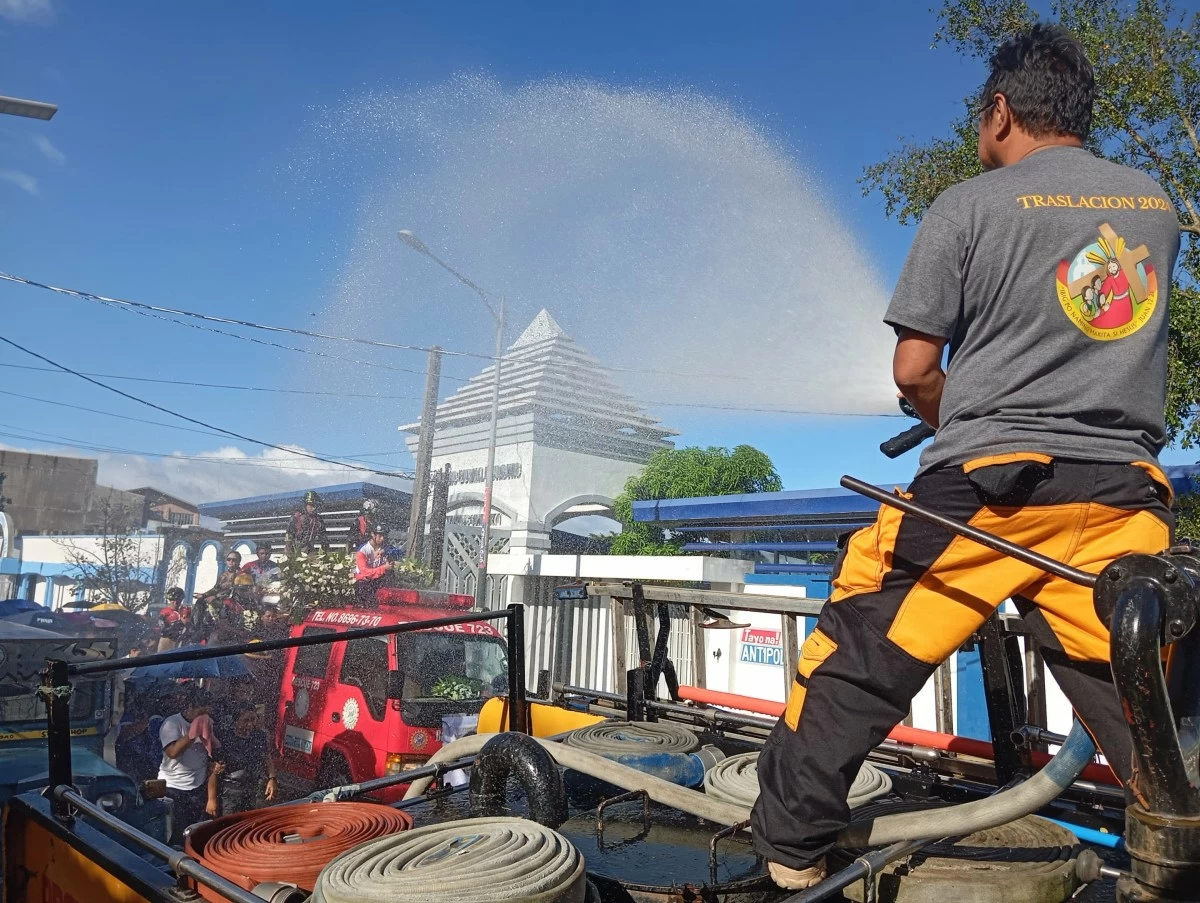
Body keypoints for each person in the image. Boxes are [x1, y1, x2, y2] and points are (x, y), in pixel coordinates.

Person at [753, 25, 1181, 890]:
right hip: (1125, 497)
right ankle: (1182, 845)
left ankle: (790, 851)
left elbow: (915, 372)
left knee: (863, 643)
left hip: (990, 489)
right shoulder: (1158, 208)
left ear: (1000, 111)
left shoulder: (969, 205)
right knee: (1149, 688)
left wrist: (956, 412)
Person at [158, 687, 218, 845]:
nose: (203, 718)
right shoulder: (172, 723)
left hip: (197, 787)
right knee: (172, 832)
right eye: (199, 714)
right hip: (173, 787)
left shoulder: (208, 723)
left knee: (193, 831)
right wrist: (194, 733)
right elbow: (172, 752)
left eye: (205, 714)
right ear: (189, 707)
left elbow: (215, 747)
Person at [212, 702, 276, 816]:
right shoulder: (226, 738)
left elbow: (267, 758)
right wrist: (211, 800)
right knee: (228, 827)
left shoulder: (259, 736)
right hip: (230, 791)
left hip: (251, 789)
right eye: (246, 720)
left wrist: (272, 779)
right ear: (236, 721)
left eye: (253, 720)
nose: (250, 724)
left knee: (247, 824)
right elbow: (214, 770)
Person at [353, 523, 394, 605]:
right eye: (380, 536)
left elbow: (400, 552)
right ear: (372, 534)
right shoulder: (362, 550)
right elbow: (365, 572)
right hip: (363, 584)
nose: (382, 539)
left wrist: (386, 552)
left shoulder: (385, 548)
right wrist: (384, 568)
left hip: (377, 582)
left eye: (384, 536)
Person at [286, 490, 328, 556]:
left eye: (315, 506)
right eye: (310, 505)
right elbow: (288, 540)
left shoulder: (318, 520)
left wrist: (326, 555)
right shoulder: (295, 518)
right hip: (295, 552)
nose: (313, 508)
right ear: (305, 505)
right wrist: (288, 556)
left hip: (310, 551)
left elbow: (324, 540)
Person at [157, 587, 187, 652]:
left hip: (180, 641)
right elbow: (163, 630)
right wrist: (179, 623)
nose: (177, 603)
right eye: (173, 600)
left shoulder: (182, 611)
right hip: (167, 641)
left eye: (180, 600)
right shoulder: (165, 612)